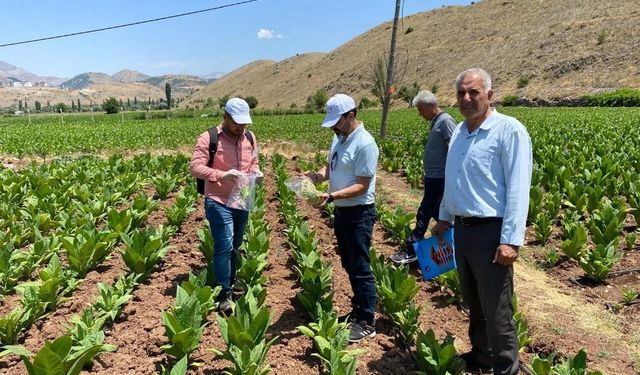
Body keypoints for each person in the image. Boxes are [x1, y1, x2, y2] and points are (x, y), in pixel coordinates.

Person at [431, 68, 532, 375]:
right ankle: (482, 356)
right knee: (473, 301)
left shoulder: (509, 131)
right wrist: (445, 218)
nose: (466, 98)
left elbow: (518, 188)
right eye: (461, 93)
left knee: (497, 308)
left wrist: (511, 240)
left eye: (473, 92)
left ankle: (505, 367)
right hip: (462, 230)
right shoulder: (460, 131)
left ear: (489, 95)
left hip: (492, 233)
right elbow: (454, 180)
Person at [305, 93, 379, 343]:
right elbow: (332, 167)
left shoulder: (365, 144)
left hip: (359, 213)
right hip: (342, 211)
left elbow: (362, 185)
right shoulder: (339, 139)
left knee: (360, 266)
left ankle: (368, 320)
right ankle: (357, 311)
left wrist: (332, 195)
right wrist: (316, 177)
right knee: (348, 262)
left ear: (351, 115)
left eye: (338, 121)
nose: (334, 127)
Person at [189, 97, 260, 316]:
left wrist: (256, 173)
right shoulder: (209, 138)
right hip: (218, 200)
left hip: (241, 199)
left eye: (244, 123)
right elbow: (195, 167)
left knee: (236, 244)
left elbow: (254, 162)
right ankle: (225, 293)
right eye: (237, 122)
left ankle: (230, 277)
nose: (241, 127)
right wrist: (222, 174)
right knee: (224, 244)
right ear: (226, 117)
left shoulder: (249, 137)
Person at [390, 90, 456, 265]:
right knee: (436, 212)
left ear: (431, 106)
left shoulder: (446, 121)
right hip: (433, 177)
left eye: (421, 110)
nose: (420, 115)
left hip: (440, 178)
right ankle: (457, 242)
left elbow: (455, 151)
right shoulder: (437, 122)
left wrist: (450, 177)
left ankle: (412, 250)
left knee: (424, 212)